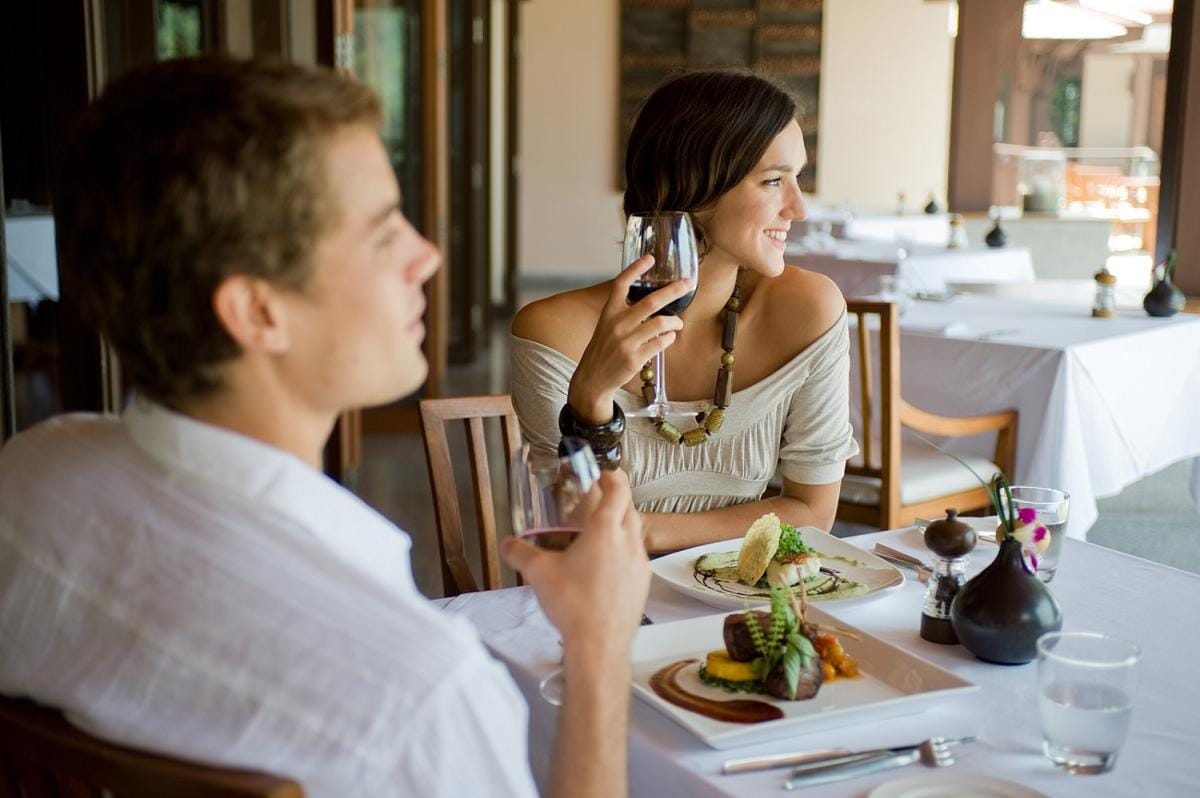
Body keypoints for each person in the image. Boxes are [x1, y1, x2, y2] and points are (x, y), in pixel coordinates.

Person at [0, 57, 649, 798]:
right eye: (382, 234)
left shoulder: (27, 474)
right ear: (257, 311)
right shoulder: (416, 693)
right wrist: (598, 645)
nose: (427, 255)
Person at [512, 70, 858, 554]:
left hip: (742, 605)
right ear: (696, 189)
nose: (798, 208)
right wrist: (590, 398)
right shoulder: (554, 332)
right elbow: (571, 531)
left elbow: (813, 511)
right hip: (605, 606)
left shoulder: (809, 312)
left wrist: (647, 530)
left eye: (797, 178)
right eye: (774, 180)